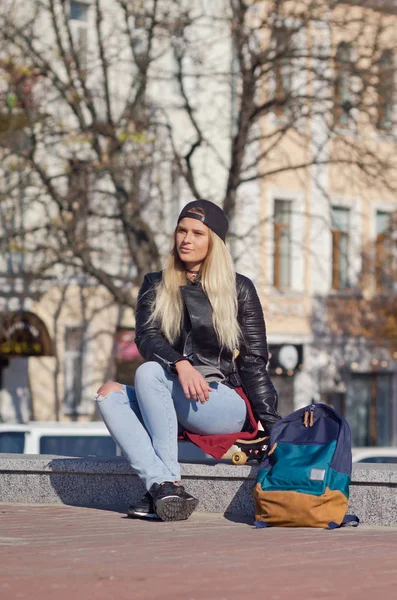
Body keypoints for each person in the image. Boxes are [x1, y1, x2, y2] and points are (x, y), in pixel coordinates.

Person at [95, 199, 280, 522]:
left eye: (197, 233)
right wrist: (181, 364)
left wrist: (275, 427)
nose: (186, 239)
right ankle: (164, 486)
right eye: (182, 230)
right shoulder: (155, 284)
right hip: (171, 390)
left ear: (214, 243)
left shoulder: (239, 289)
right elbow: (147, 337)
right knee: (108, 393)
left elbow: (253, 360)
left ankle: (165, 484)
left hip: (221, 401)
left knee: (150, 371)